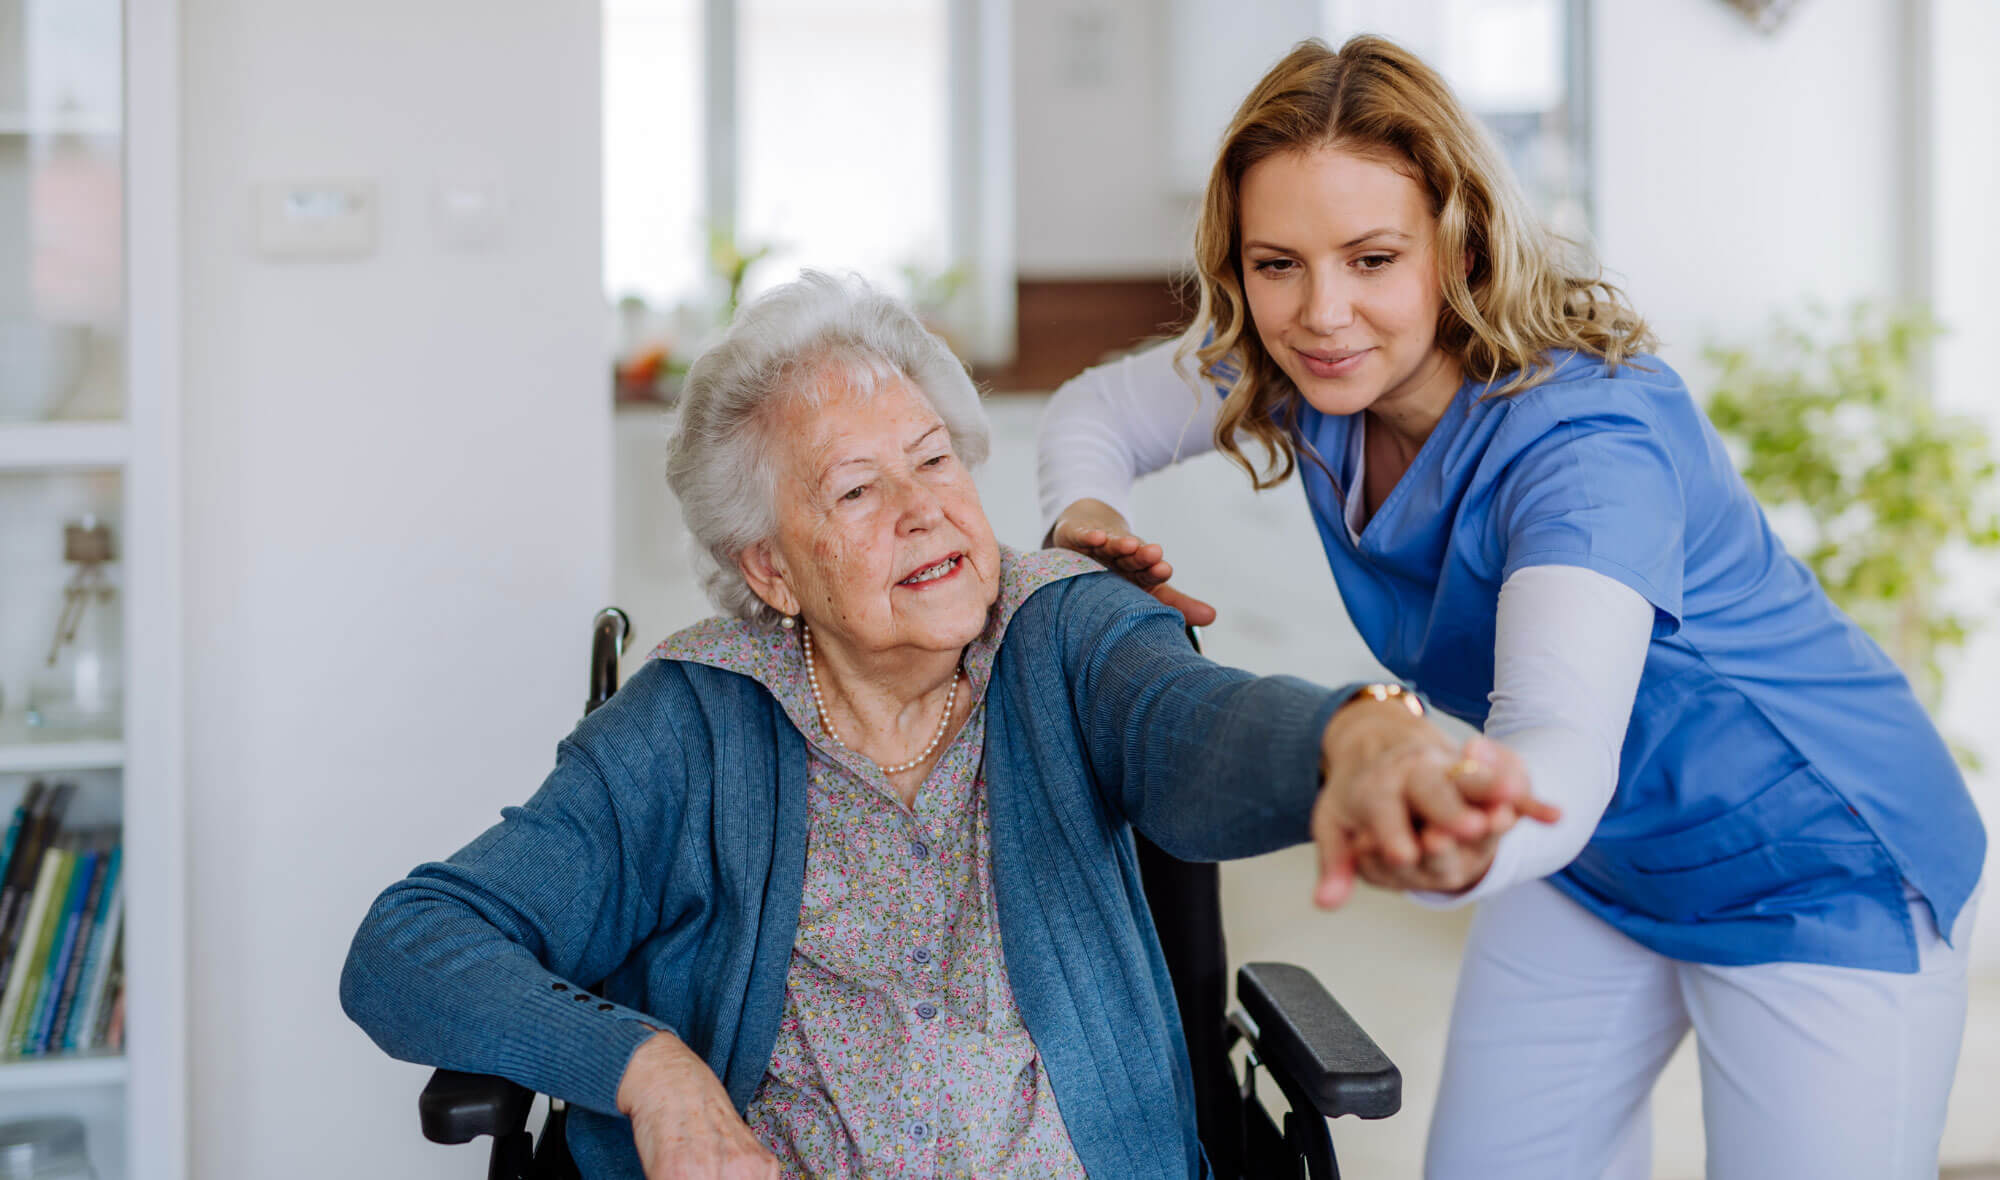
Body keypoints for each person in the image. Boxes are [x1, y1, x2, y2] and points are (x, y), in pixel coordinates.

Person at [340, 271, 1547, 1180]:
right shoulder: (691, 722)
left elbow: (1197, 723)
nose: (924, 511)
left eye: (934, 461)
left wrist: (1356, 739)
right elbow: (409, 942)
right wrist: (646, 1070)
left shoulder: (1064, 631)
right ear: (768, 568)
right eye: (858, 491)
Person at [1036, 35, 1987, 1180]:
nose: (1320, 310)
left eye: (1371, 258)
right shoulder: (1309, 370)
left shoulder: (1586, 449)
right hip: (1595, 865)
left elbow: (1557, 745)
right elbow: (1098, 410)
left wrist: (1451, 837)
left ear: (1459, 242)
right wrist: (1085, 529)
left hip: (1809, 862)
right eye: (1274, 262)